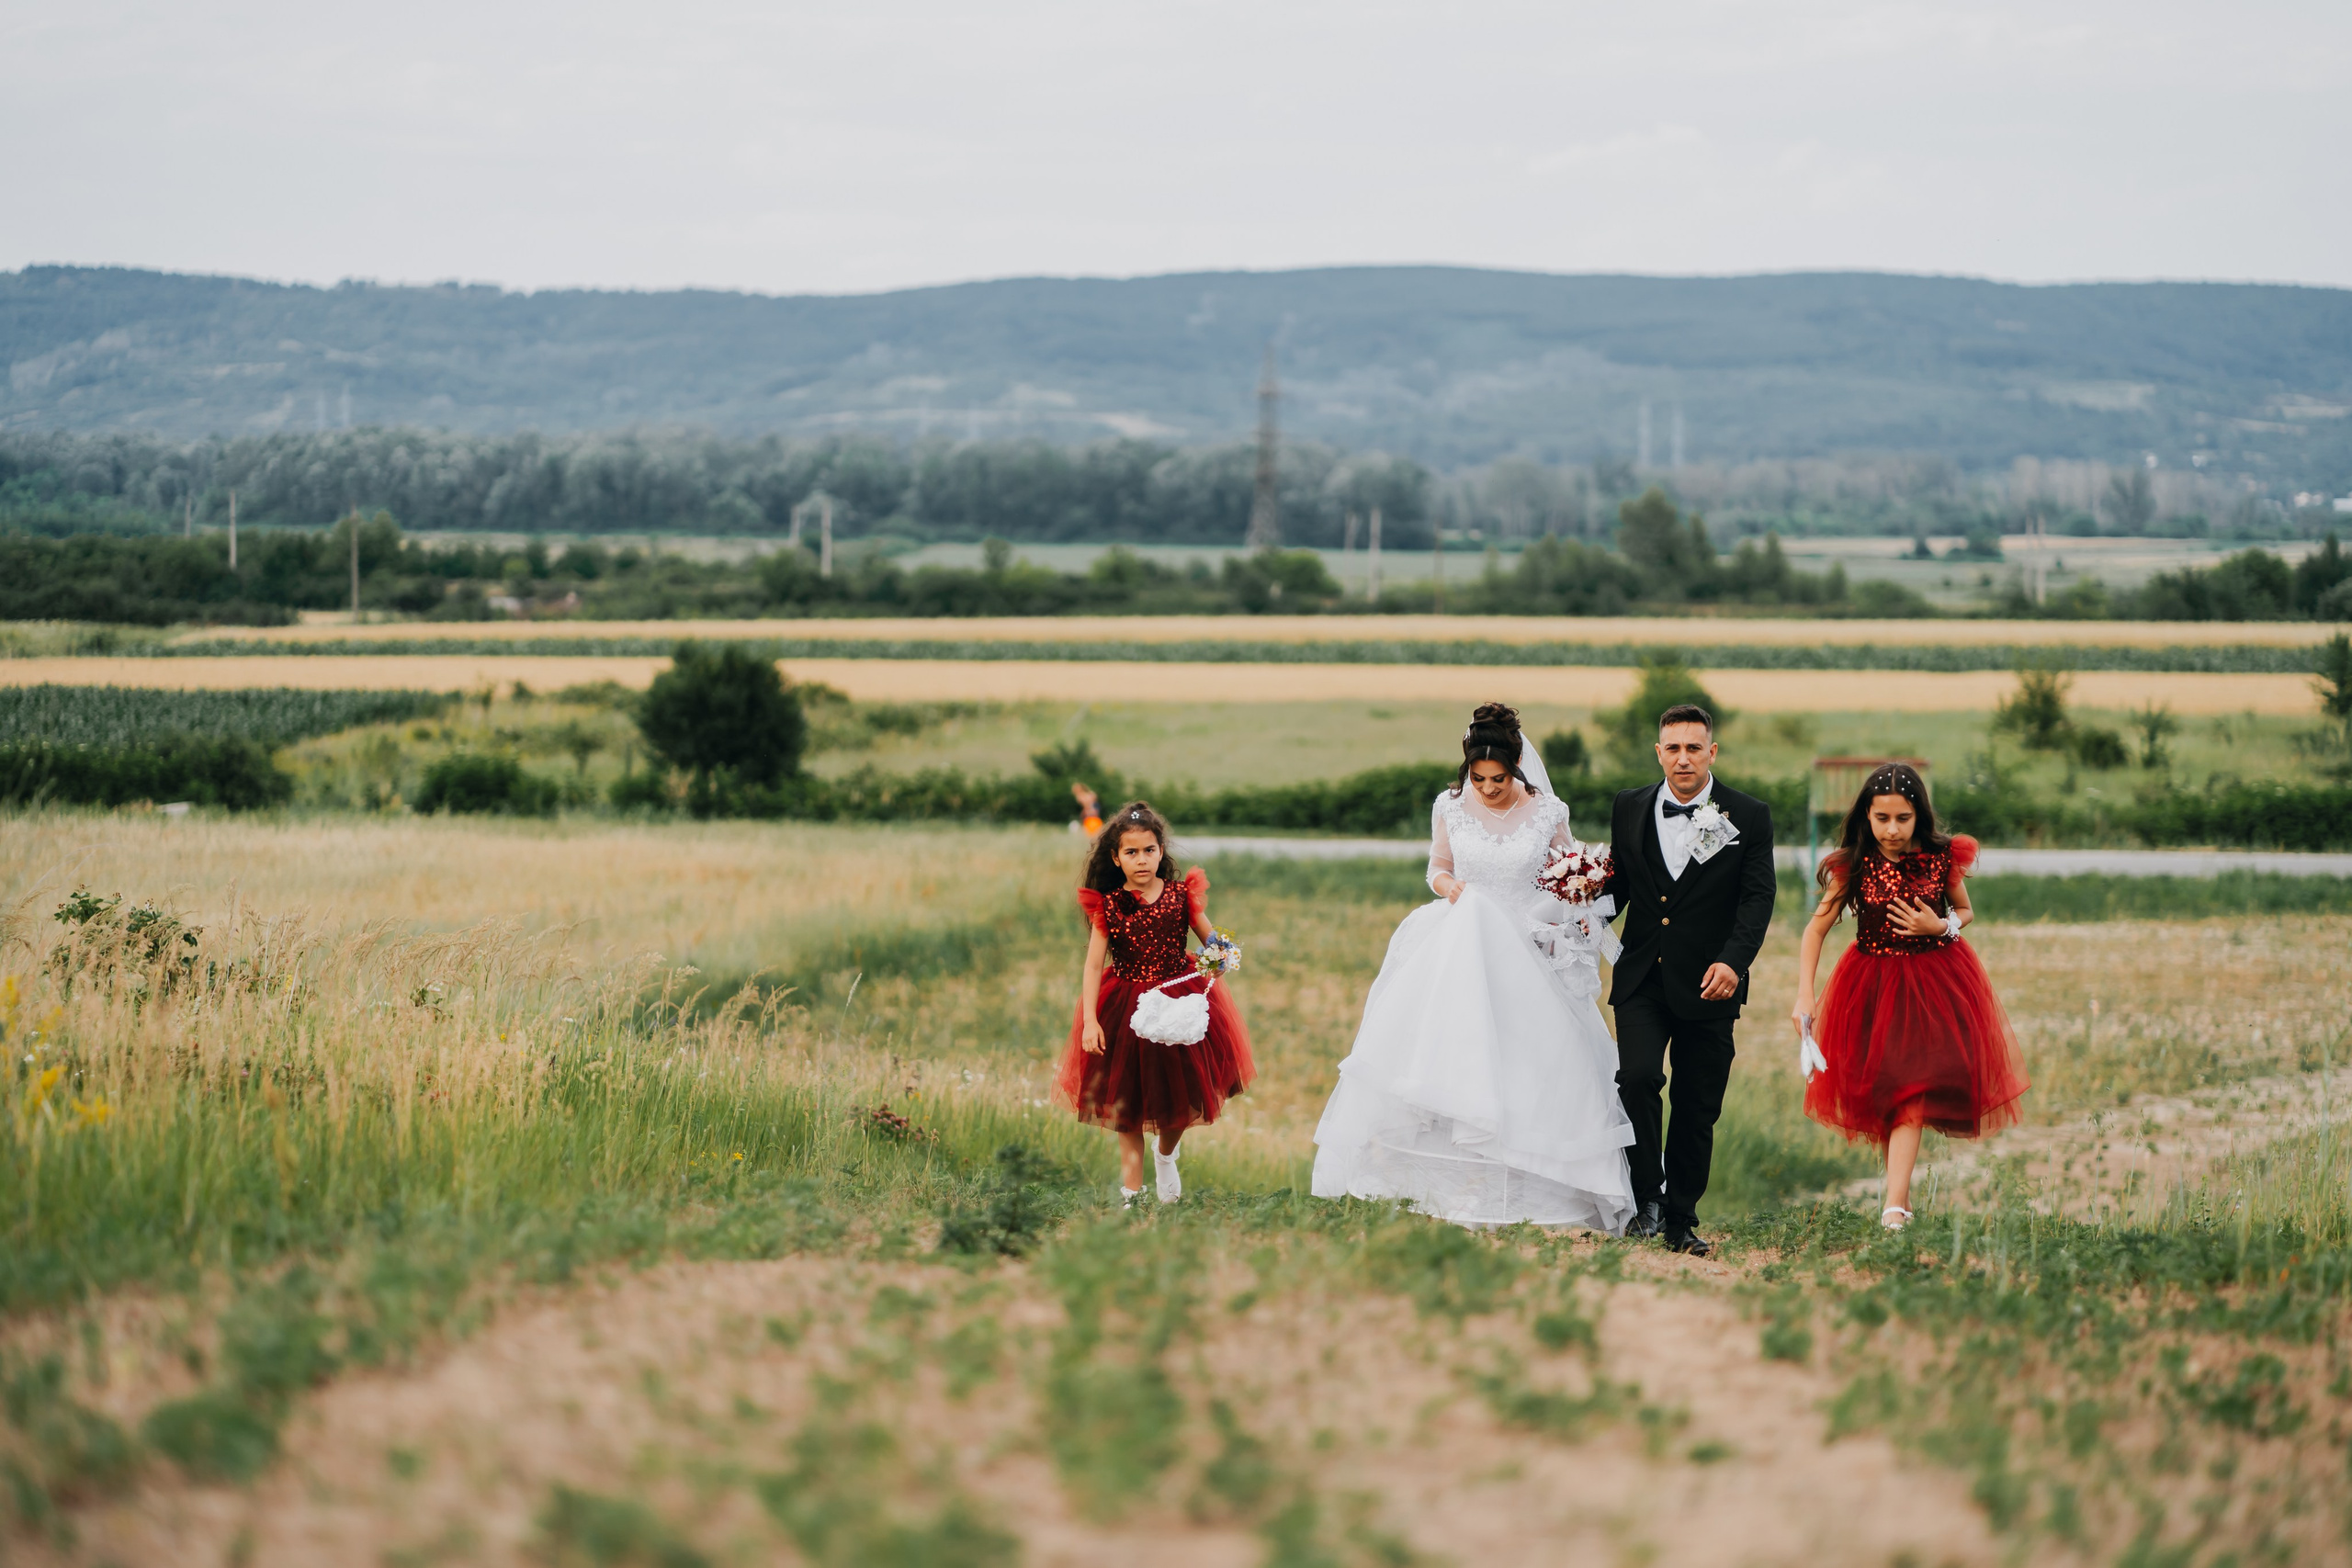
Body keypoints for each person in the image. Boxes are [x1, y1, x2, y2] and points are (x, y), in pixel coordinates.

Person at [1311, 703, 1636, 1232]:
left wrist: (1576, 894)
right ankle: (1453, 1189)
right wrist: (1450, 887)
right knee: (1456, 1060)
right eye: (1478, 778)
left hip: (1526, 947)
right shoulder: (1450, 806)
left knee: (1527, 1066)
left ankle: (1529, 1189)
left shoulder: (1549, 811)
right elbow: (1437, 868)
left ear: (1517, 768)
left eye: (1498, 779)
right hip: (1461, 941)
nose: (1487, 789)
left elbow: (1568, 874)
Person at [1792, 762, 2027, 1229]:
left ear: (1919, 815)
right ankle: (1897, 1196)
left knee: (1912, 1091)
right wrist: (1805, 996)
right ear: (1867, 816)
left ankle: (1894, 1207)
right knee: (1888, 1090)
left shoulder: (1942, 859)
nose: (1893, 829)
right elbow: (1816, 930)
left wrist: (1940, 926)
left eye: (1903, 818)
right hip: (1871, 986)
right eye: (1882, 819)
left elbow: (1966, 911)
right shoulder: (1854, 864)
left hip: (1932, 985)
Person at [1600, 702, 1776, 1257]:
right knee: (1637, 1079)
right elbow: (1621, 886)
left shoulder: (1748, 815)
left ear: (1712, 752)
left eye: (1693, 748)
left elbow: (1757, 898)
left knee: (1699, 1105)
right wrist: (1576, 911)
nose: (1682, 759)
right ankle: (1645, 1200)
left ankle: (1681, 1218)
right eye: (1672, 748)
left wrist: (1734, 961)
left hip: (1710, 983)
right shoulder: (1628, 806)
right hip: (1642, 978)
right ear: (1659, 752)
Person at [1056, 800, 1255, 1206]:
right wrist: (1091, 1020)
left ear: (1161, 852)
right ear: (1116, 858)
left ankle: (1166, 1155)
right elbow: (1094, 967)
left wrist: (1220, 957)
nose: (1141, 860)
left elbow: (1212, 942)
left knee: (1179, 1092)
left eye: (1149, 850)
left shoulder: (1181, 896)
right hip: (1125, 1008)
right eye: (1131, 852)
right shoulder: (1109, 906)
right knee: (1124, 1101)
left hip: (1177, 1001)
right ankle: (1131, 1194)